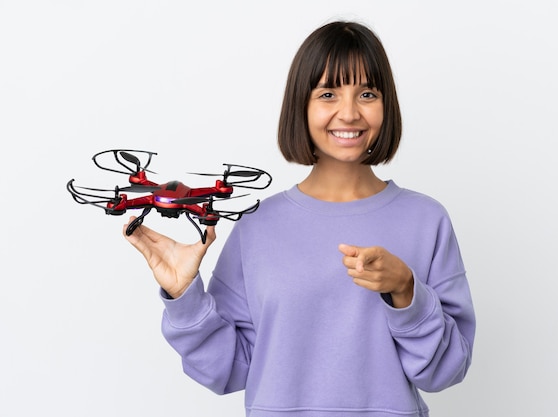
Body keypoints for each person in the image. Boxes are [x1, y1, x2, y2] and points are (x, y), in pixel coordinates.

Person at [125, 20, 476, 417]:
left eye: (367, 93)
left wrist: (406, 291)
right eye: (328, 93)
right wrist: (185, 296)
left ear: (386, 104)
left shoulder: (426, 220)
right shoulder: (257, 225)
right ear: (301, 105)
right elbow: (229, 369)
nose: (349, 113)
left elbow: (447, 370)